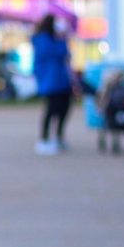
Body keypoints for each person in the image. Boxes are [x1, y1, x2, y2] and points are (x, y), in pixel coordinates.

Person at [31, 14, 78, 156]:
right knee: (51, 110)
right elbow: (59, 53)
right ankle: (44, 139)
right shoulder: (43, 40)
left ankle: (58, 136)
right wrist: (63, 39)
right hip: (51, 81)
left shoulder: (54, 40)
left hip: (62, 80)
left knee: (65, 108)